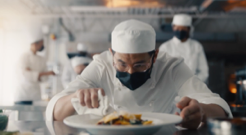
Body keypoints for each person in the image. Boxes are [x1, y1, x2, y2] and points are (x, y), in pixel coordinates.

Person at [46, 20, 232, 129]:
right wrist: (74, 98)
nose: (130, 71)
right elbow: (54, 111)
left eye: (139, 64)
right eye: (121, 64)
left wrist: (201, 111)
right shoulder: (101, 65)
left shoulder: (171, 67)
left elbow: (220, 107)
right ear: (111, 54)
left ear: (155, 56)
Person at [159, 14, 209, 83]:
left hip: (193, 88)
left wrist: (194, 83)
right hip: (171, 88)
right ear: (173, 27)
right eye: (178, 28)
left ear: (188, 29)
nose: (180, 31)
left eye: (183, 29)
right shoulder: (165, 47)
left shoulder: (197, 46)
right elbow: (160, 70)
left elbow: (204, 71)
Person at [15, 33, 55, 105]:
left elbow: (44, 78)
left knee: (36, 115)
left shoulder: (41, 59)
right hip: (23, 95)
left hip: (35, 95)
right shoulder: (24, 56)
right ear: (34, 44)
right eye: (41, 44)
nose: (42, 46)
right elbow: (25, 75)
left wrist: (35, 74)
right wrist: (45, 73)